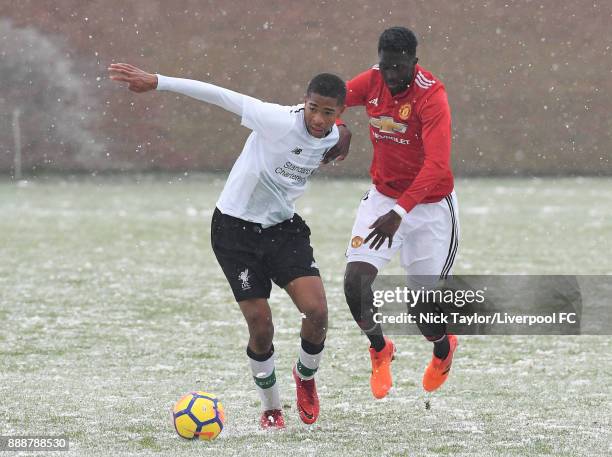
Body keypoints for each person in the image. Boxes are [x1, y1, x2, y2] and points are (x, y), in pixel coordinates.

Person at [108, 63, 347, 428]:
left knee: (317, 313)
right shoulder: (276, 119)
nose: (317, 117)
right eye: (313, 108)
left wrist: (344, 137)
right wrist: (158, 82)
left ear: (338, 114)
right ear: (305, 102)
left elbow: (341, 135)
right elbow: (219, 94)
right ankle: (271, 408)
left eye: (328, 112)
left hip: (283, 230)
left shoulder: (331, 135)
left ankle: (306, 378)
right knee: (261, 326)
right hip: (234, 231)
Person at [325, 26, 459, 398]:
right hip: (384, 198)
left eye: (399, 68)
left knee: (421, 310)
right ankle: (380, 349)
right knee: (355, 283)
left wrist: (401, 212)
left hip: (431, 207)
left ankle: (443, 349)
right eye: (386, 67)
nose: (391, 76)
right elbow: (328, 99)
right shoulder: (373, 80)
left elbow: (436, 165)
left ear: (414, 64)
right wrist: (340, 127)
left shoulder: (432, 97)